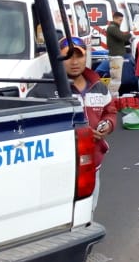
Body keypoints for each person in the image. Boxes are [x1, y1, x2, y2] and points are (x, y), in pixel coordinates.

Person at [29, 37, 116, 209]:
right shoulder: (43, 89)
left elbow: (110, 110)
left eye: (79, 56)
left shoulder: (98, 86)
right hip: (60, 168)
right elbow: (32, 126)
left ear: (86, 57)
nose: (74, 62)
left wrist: (108, 124)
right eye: (68, 57)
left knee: (88, 211)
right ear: (58, 59)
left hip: (92, 164)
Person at [105, 11, 133, 99]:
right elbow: (122, 37)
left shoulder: (115, 28)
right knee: (116, 79)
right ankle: (111, 97)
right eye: (120, 20)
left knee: (116, 78)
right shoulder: (112, 28)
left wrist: (129, 40)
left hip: (117, 56)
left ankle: (113, 95)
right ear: (115, 19)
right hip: (116, 56)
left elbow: (121, 41)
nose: (121, 22)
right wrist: (130, 33)